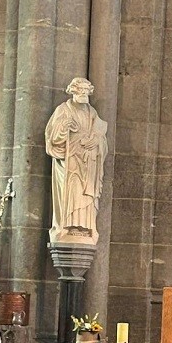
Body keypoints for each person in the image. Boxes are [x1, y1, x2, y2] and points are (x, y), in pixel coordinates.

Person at [46, 77, 108, 246]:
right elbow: (53, 138)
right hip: (71, 161)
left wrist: (96, 141)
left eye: (86, 91)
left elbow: (101, 136)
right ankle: (67, 227)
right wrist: (63, 127)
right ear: (73, 91)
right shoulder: (63, 110)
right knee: (72, 190)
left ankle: (85, 228)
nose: (83, 94)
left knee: (86, 195)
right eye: (80, 90)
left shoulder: (92, 112)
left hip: (88, 162)